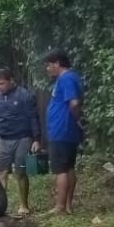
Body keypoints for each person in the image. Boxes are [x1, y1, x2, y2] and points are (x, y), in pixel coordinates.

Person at [0, 66, 42, 216]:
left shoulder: (24, 95)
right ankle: (0, 207)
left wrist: (36, 139)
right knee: (0, 172)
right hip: (4, 139)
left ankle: (24, 205)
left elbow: (33, 118)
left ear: (11, 80)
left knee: (21, 172)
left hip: (22, 138)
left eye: (2, 84)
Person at [43, 50, 86, 215]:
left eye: (49, 65)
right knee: (69, 167)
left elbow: (74, 103)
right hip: (67, 130)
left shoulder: (66, 78)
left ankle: (60, 206)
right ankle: (68, 206)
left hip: (62, 129)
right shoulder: (71, 77)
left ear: (57, 63)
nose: (47, 69)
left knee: (60, 169)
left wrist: (77, 118)